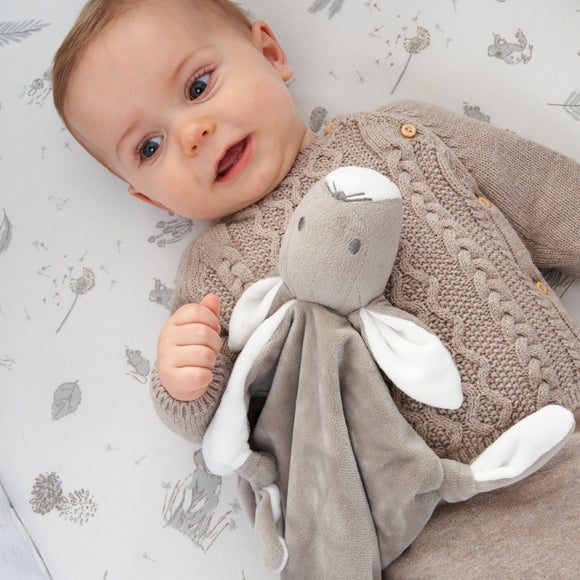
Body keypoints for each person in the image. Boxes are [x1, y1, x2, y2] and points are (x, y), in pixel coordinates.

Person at [53, 0, 579, 576]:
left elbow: (546, 198)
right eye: (149, 147)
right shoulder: (210, 274)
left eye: (198, 86)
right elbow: (214, 417)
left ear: (270, 54)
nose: (192, 132)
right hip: (423, 530)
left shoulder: (400, 134)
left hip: (563, 433)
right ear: (151, 197)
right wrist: (182, 383)